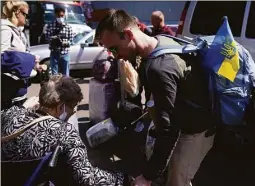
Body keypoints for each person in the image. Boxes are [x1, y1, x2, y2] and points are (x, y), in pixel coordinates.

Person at [97, 9, 216, 186]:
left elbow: (168, 130)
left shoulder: (159, 68)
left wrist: (147, 176)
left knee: (177, 181)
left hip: (195, 130)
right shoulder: (159, 43)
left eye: (114, 48)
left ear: (128, 35)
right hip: (185, 122)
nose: (114, 55)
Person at [1, 75, 125, 185]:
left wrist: (23, 108)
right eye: (72, 108)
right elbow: (86, 179)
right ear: (61, 108)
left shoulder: (8, 115)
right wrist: (120, 178)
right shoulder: (65, 132)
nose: (73, 112)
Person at [1, 0, 42, 107]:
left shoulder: (19, 31)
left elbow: (20, 55)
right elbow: (2, 58)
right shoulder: (5, 30)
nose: (27, 18)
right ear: (18, 13)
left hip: (19, 90)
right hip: (9, 93)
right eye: (26, 15)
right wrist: (28, 60)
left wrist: (34, 65)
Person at [46, 7, 73, 77]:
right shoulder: (50, 25)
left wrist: (64, 43)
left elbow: (72, 40)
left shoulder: (68, 27)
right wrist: (53, 40)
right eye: (59, 16)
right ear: (55, 15)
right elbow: (47, 37)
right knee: (54, 75)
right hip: (54, 52)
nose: (60, 17)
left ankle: (65, 87)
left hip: (65, 53)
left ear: (64, 15)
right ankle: (55, 87)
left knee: (66, 75)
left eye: (62, 16)